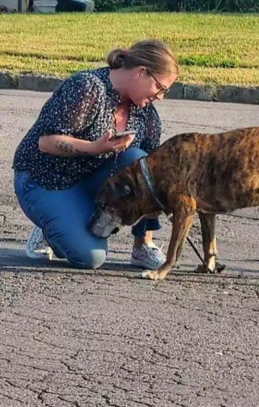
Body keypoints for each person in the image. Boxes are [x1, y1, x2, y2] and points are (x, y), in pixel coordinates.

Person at [13, 39, 179, 270]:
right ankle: (50, 227)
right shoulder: (88, 87)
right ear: (141, 72)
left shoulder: (146, 115)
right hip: (43, 180)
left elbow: (150, 179)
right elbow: (45, 142)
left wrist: (145, 236)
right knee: (90, 257)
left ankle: (141, 248)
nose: (160, 97)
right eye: (160, 88)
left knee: (145, 164)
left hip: (91, 180)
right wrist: (95, 148)